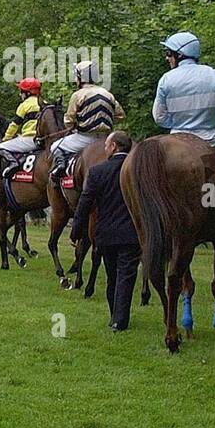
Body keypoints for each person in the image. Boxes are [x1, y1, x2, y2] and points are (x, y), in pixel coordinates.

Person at [71, 131, 140, 332]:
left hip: (106, 232)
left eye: (107, 145)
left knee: (112, 275)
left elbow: (84, 203)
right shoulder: (137, 171)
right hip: (132, 233)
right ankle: (120, 319)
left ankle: (115, 316)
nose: (104, 149)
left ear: (114, 147)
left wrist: (76, 230)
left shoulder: (97, 172)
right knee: (126, 275)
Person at [153, 31, 215, 182]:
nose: (167, 57)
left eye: (169, 53)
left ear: (180, 55)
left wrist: (177, 123)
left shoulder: (166, 79)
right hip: (211, 138)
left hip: (178, 139)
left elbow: (159, 117)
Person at [51, 61, 125, 182]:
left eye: (77, 76)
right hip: (107, 138)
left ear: (82, 77)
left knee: (55, 147)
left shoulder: (77, 95)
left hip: (84, 138)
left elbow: (68, 121)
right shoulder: (108, 94)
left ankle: (61, 169)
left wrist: (75, 125)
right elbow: (121, 115)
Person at [0, 77, 44, 177]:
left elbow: (14, 125)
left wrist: (6, 138)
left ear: (27, 93)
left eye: (21, 91)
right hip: (43, 140)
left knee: (0, 148)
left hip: (30, 139)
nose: (20, 94)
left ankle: (13, 163)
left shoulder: (24, 105)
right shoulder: (44, 103)